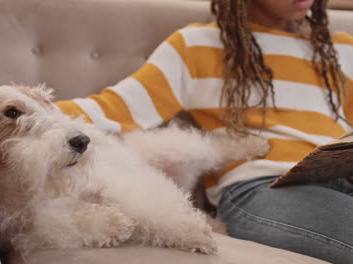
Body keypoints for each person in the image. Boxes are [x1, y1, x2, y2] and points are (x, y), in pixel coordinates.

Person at [56, 0, 353, 262]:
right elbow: (112, 109)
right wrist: (24, 110)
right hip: (265, 187)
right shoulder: (196, 45)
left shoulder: (342, 48)